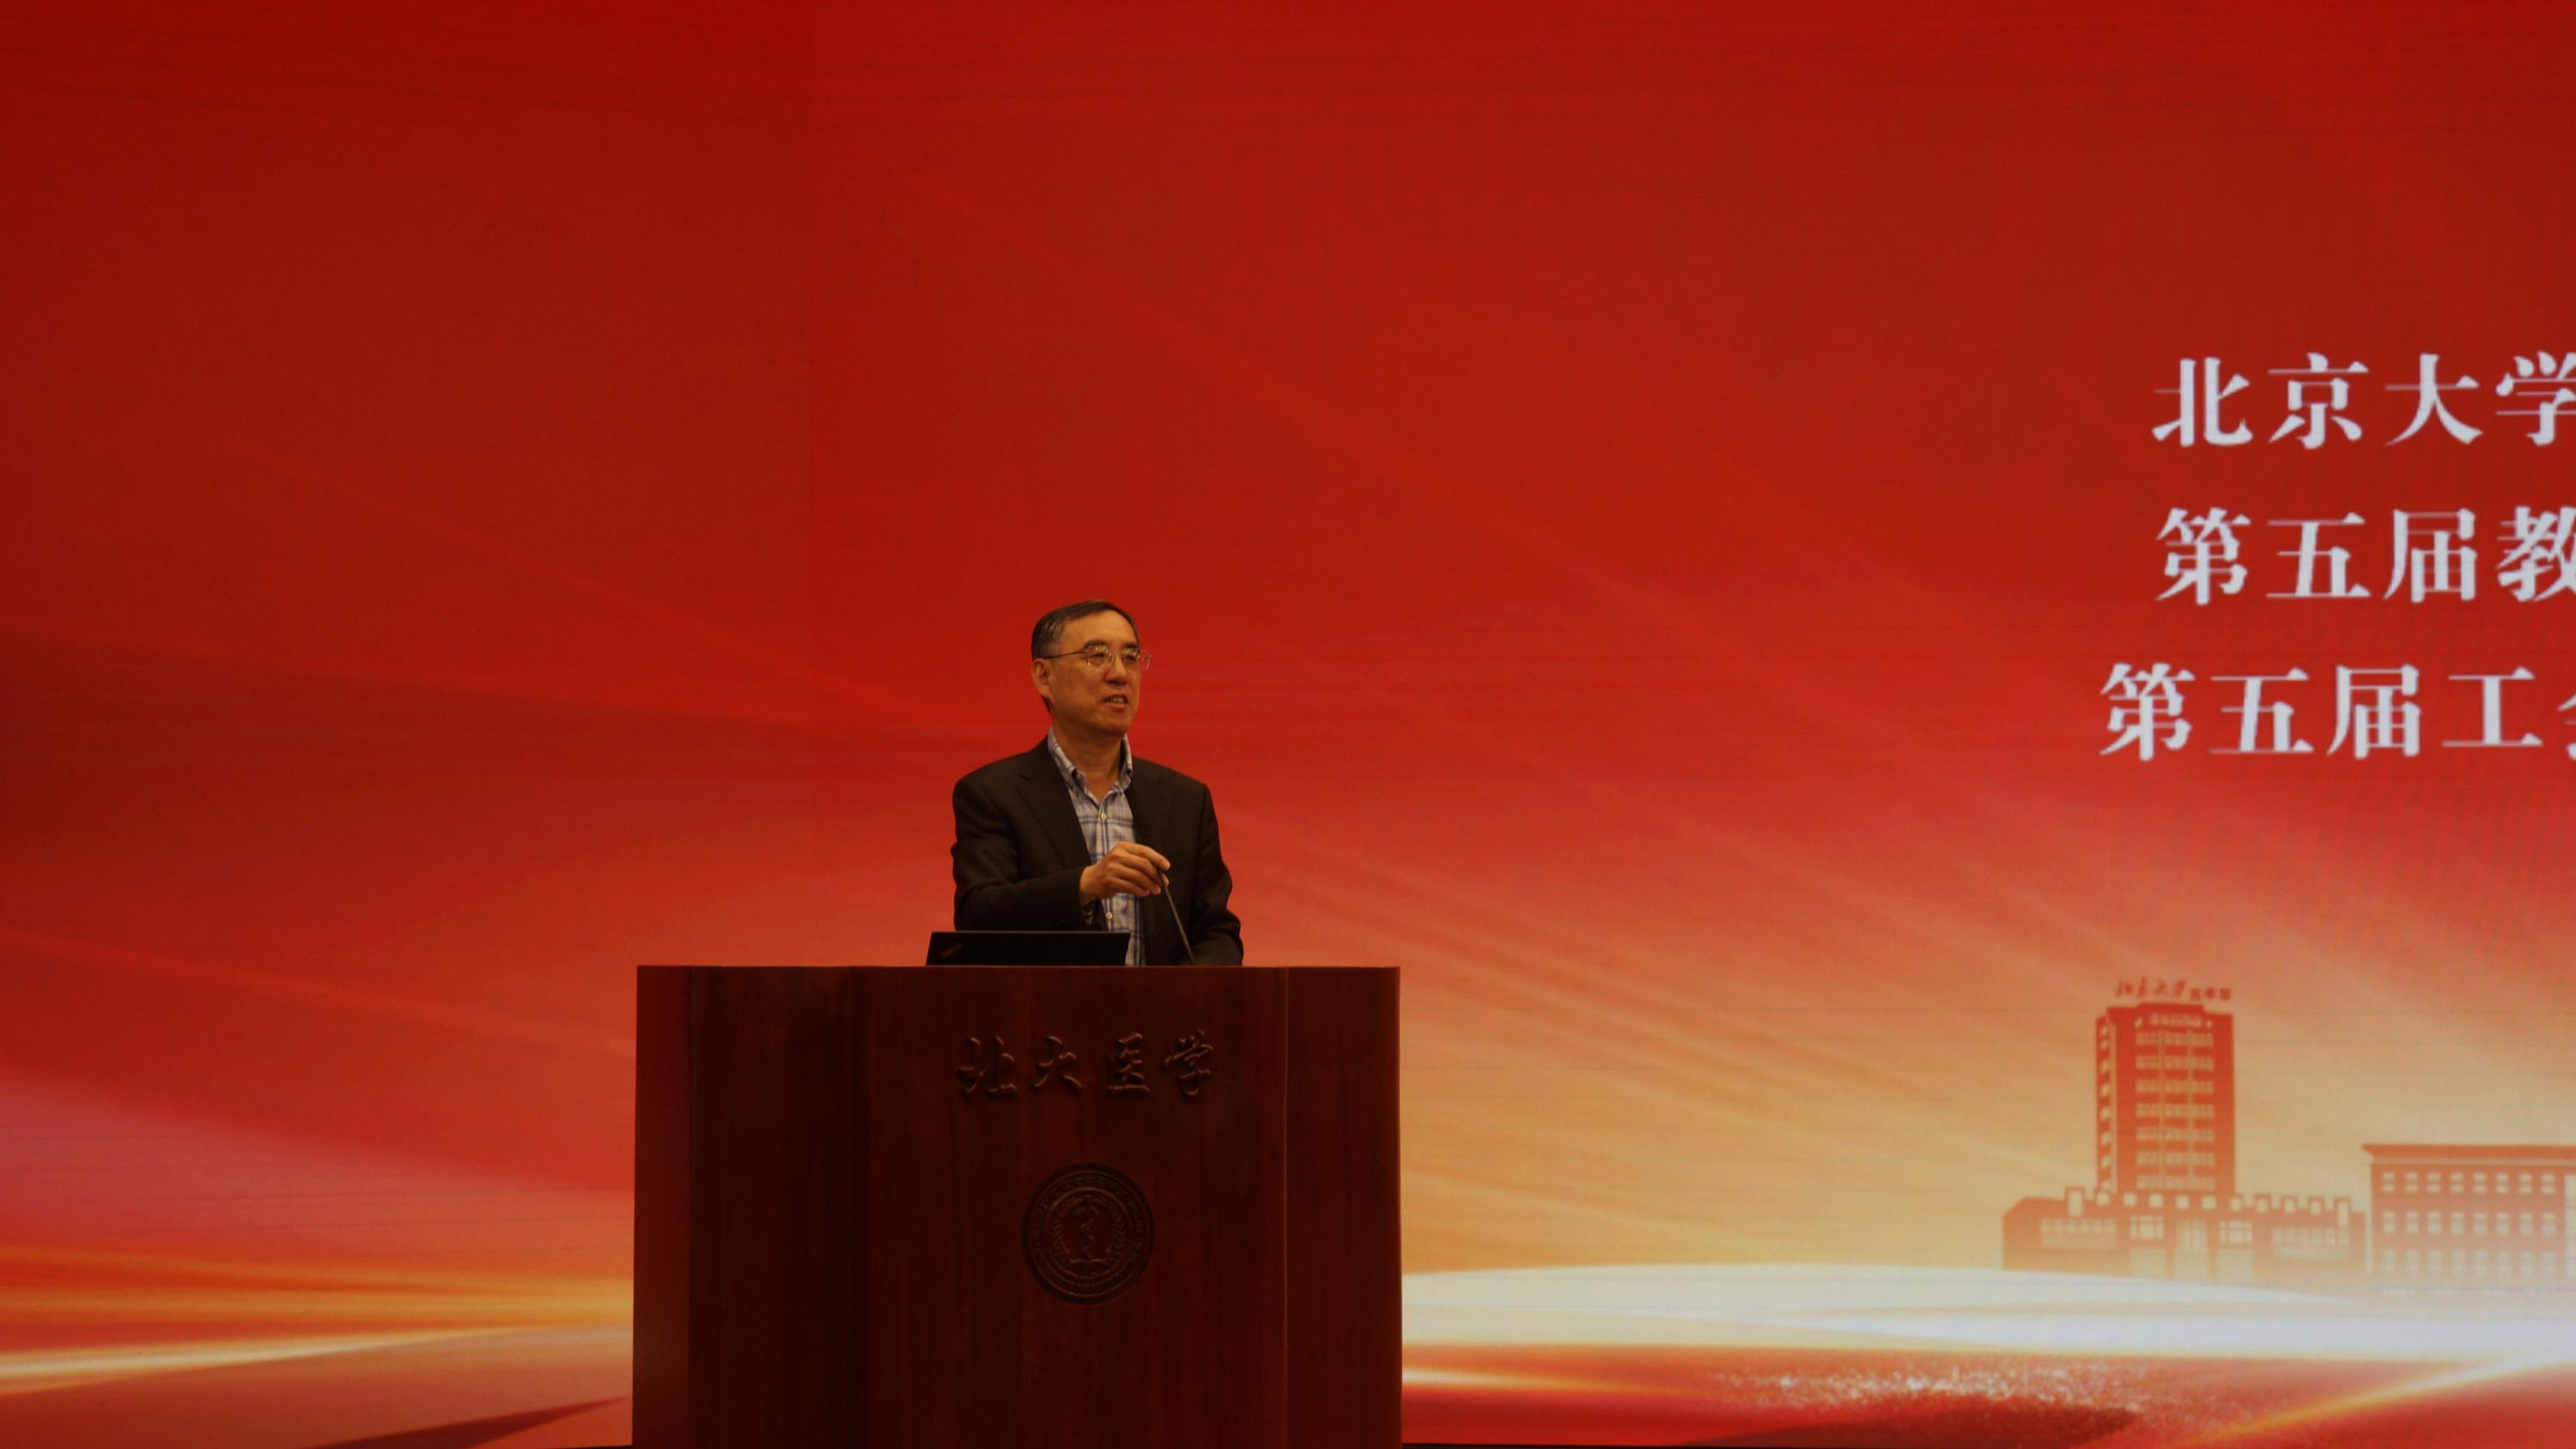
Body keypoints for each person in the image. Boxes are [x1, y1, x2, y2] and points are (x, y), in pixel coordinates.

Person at [951, 600, 1243, 965]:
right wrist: (1085, 885)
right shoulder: (994, 794)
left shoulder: (1185, 800)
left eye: (1131, 657)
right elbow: (979, 915)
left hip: (1163, 1004)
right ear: (1044, 677)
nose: (1120, 674)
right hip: (1048, 1003)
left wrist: (1179, 992)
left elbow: (1217, 933)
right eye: (1097, 656)